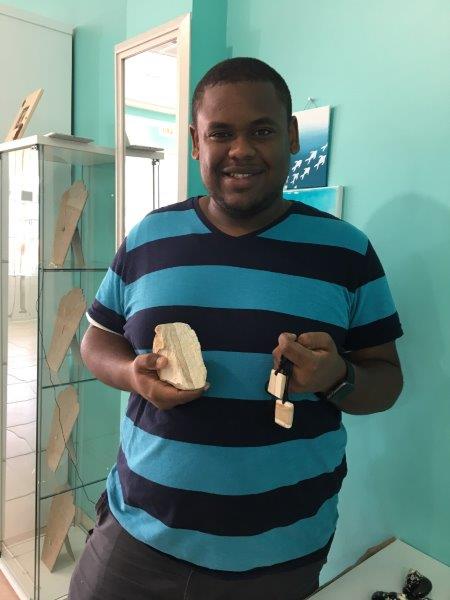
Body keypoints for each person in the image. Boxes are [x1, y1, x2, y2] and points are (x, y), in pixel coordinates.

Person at [69, 57, 403, 600]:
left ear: (292, 136)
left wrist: (336, 376)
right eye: (221, 133)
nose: (241, 150)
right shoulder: (149, 238)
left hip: (279, 560)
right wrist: (133, 374)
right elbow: (96, 339)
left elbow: (386, 380)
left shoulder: (349, 253)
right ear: (196, 142)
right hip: (136, 540)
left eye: (262, 130)